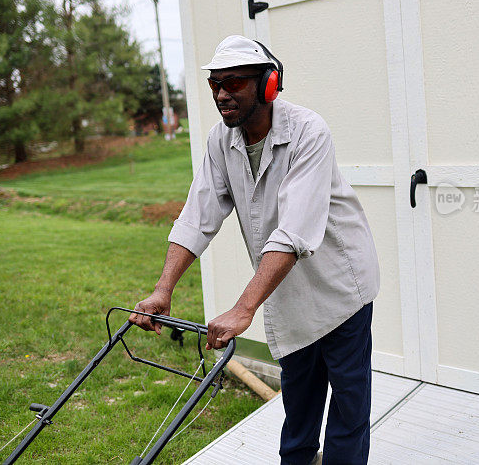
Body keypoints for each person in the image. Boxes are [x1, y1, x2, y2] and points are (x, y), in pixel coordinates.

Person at [129, 35, 380, 465]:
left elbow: (293, 230)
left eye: (235, 83)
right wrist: (162, 289)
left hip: (341, 286)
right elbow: (197, 216)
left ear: (268, 85)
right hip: (287, 291)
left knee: (348, 412)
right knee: (299, 411)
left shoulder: (308, 131)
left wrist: (243, 308)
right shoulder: (220, 141)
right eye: (216, 84)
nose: (222, 94)